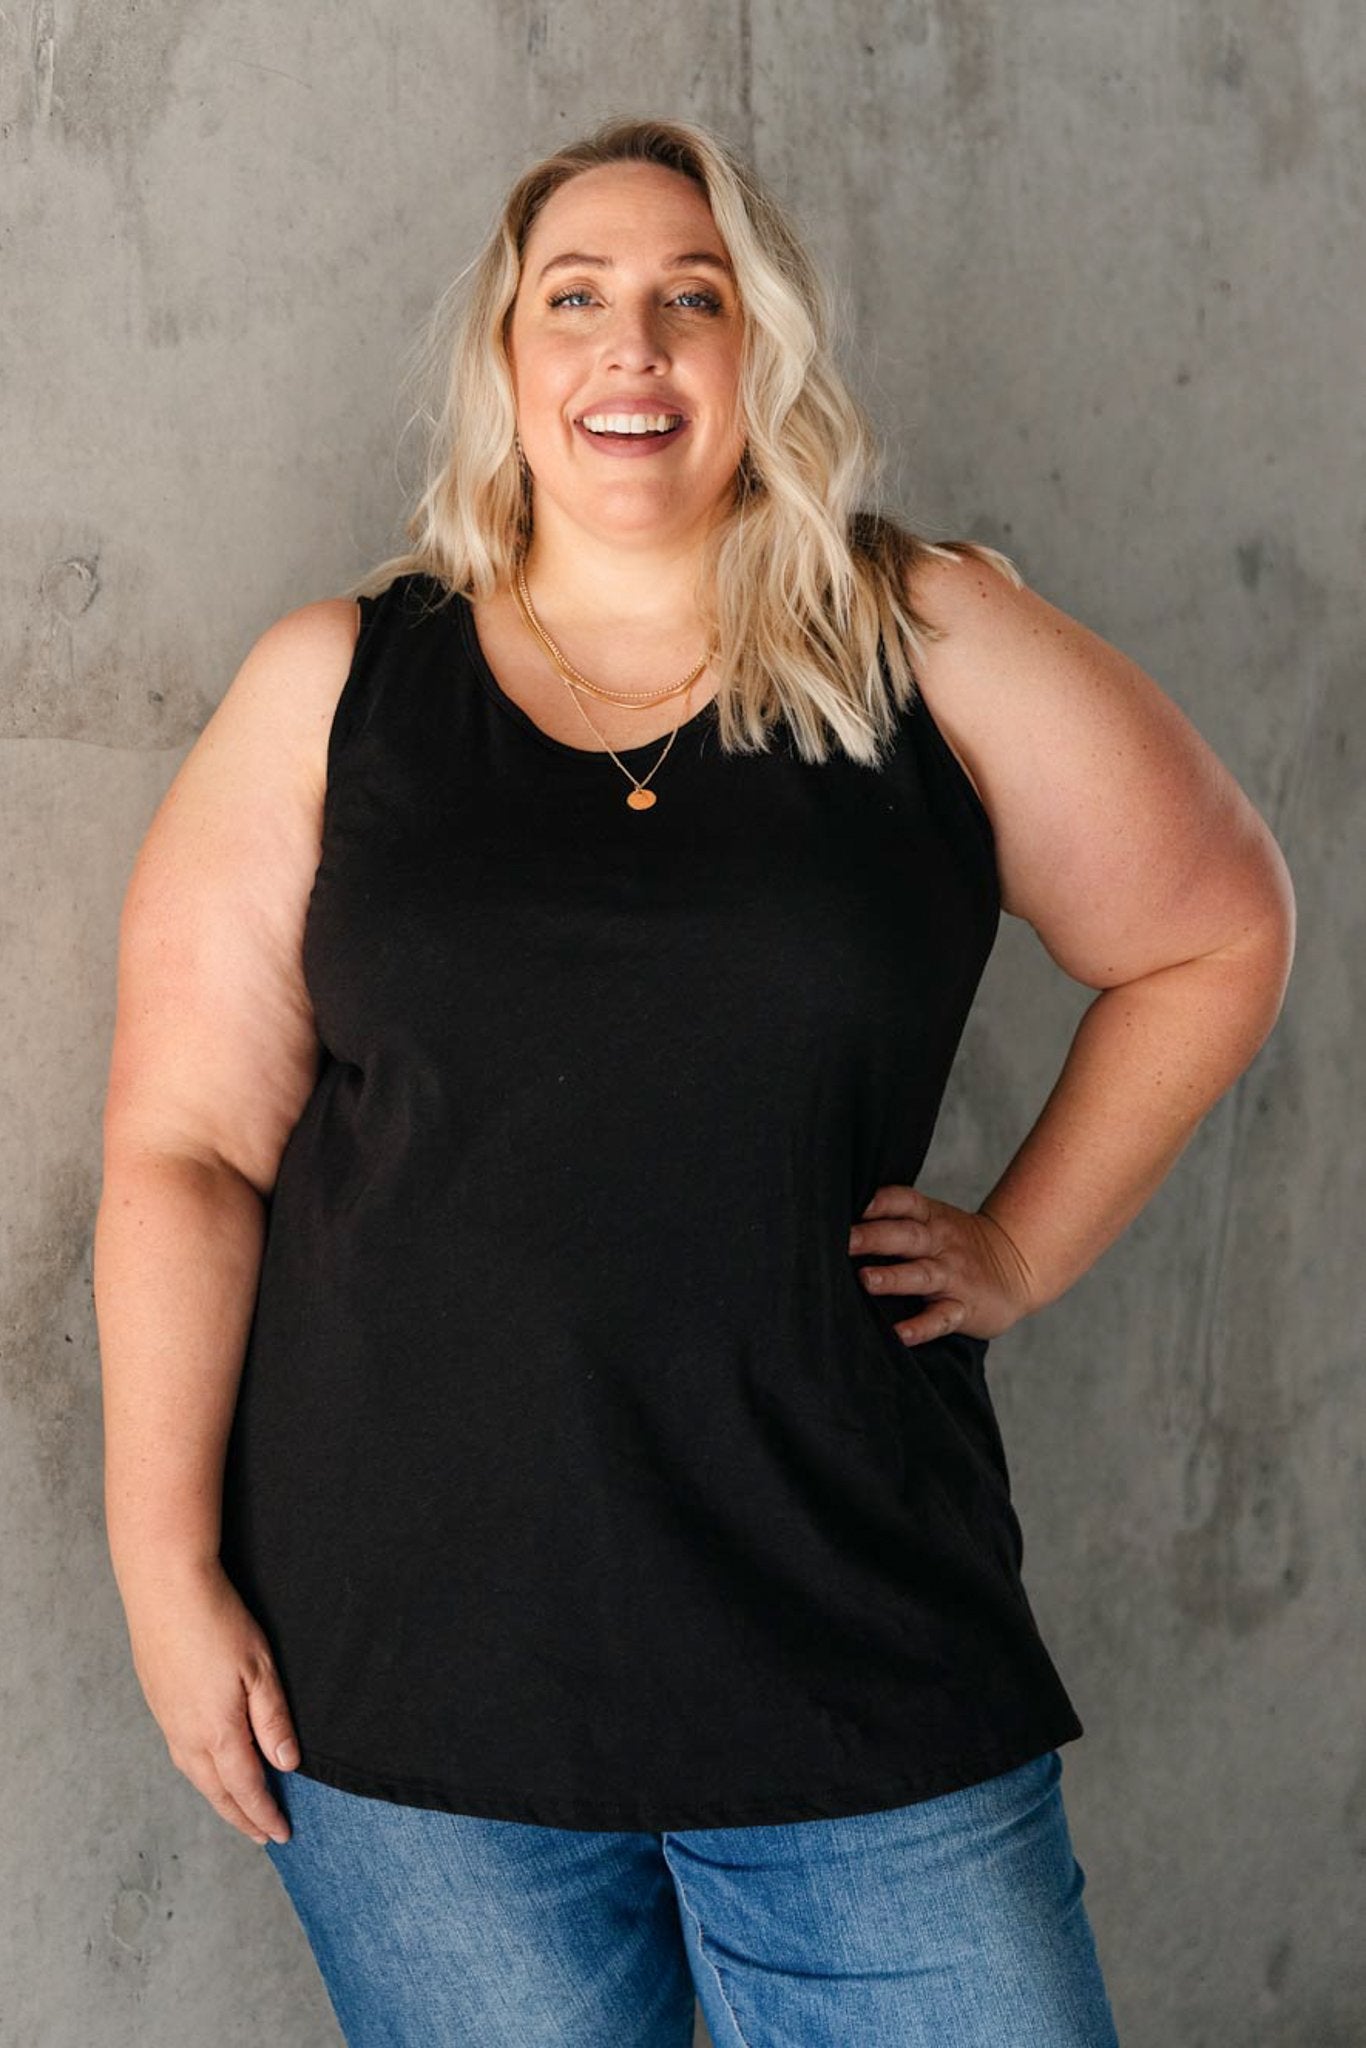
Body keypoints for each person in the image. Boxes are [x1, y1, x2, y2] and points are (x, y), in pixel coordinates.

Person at [94, 114, 1294, 2047]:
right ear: (505, 363)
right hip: (404, 1675)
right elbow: (185, 1150)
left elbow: (1215, 929)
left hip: (846, 1633)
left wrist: (1020, 1247)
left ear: (763, 353)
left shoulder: (918, 638)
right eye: (572, 299)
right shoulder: (337, 684)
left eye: (692, 298)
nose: (630, 345)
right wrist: (162, 1571)